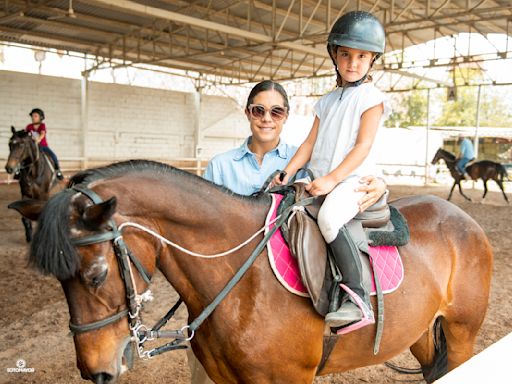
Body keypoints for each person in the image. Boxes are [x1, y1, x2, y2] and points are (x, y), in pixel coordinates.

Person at [273, 11, 389, 329]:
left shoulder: (371, 97)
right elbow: (309, 144)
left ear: (372, 60)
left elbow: (363, 146)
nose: (353, 62)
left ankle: (359, 299)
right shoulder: (326, 101)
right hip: (321, 178)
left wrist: (332, 179)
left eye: (362, 56)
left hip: (352, 180)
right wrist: (286, 173)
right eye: (346, 54)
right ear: (335, 55)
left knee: (328, 218)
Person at [25, 108, 64, 180]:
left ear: (41, 117)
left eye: (35, 116)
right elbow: (25, 135)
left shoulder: (42, 125)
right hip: (32, 147)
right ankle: (18, 171)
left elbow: (42, 133)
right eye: (32, 116)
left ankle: (58, 171)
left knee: (54, 156)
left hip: (43, 146)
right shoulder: (29, 126)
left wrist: (39, 139)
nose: (33, 118)